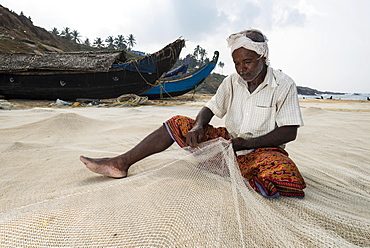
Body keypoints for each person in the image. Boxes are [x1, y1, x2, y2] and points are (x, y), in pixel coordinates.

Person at [80, 29, 306, 198]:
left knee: (285, 172)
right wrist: (198, 126)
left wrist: (246, 143)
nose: (240, 68)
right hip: (229, 143)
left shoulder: (283, 84)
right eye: (237, 63)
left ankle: (229, 168)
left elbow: (289, 132)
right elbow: (209, 109)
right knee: (178, 123)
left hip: (260, 150)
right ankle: (121, 163)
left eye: (247, 62)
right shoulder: (232, 81)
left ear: (263, 58)